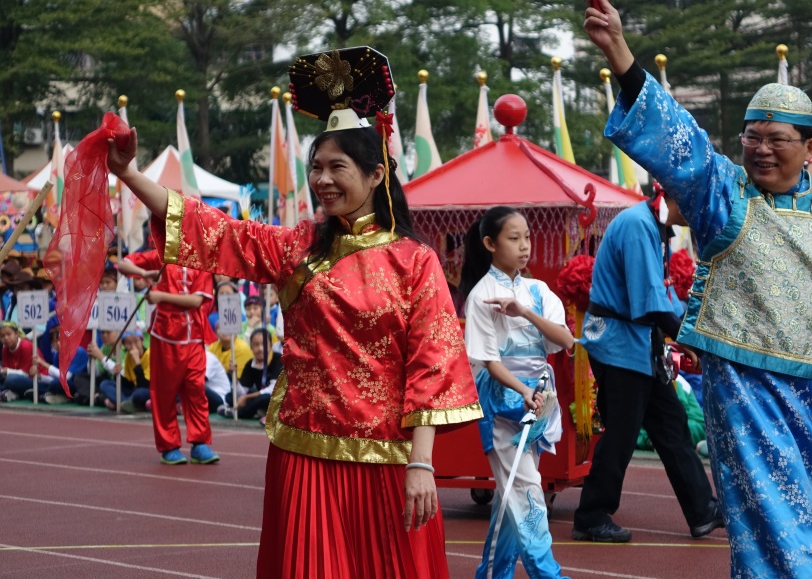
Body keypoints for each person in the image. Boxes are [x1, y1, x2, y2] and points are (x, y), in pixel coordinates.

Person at [583, 0, 812, 577]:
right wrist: (619, 48)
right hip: (740, 381)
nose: (762, 150)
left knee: (808, 506)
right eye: (752, 138)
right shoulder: (723, 191)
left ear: (811, 148)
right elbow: (678, 137)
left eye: (778, 140)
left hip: (809, 385)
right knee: (762, 510)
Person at [106, 45, 482, 578]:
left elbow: (434, 365)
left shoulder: (414, 261)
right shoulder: (298, 248)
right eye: (316, 168)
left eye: (337, 167)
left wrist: (422, 462)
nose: (322, 180)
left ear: (376, 175)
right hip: (303, 452)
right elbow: (212, 231)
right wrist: (128, 174)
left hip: (388, 460)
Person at [571, 188, 722, 543]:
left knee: (672, 425)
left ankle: (702, 510)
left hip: (639, 344)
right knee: (623, 433)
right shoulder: (639, 226)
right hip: (619, 343)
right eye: (696, 203)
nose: (699, 212)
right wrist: (685, 338)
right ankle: (591, 514)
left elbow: (664, 297)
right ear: (674, 196)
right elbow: (650, 304)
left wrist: (695, 330)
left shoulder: (656, 229)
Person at [458, 206, 573, 579]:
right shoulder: (481, 296)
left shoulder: (537, 291)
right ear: (490, 244)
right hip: (503, 400)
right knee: (527, 490)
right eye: (514, 238)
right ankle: (548, 573)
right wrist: (524, 390)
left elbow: (565, 339)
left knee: (512, 494)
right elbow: (489, 361)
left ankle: (493, 573)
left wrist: (523, 311)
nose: (524, 246)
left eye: (527, 237)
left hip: (537, 400)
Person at [118, 239, 219, 466]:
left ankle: (200, 443)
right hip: (165, 335)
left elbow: (196, 301)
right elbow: (123, 264)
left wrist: (160, 296)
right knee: (164, 393)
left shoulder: (201, 261)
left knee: (195, 389)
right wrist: (145, 273)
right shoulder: (160, 256)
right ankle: (169, 446)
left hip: (194, 336)